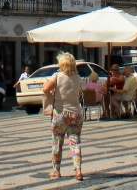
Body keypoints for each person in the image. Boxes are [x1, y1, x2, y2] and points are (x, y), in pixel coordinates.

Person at [43, 52, 86, 182]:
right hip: (76, 114)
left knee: (57, 143)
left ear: (61, 64)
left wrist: (52, 92)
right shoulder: (78, 78)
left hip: (60, 115)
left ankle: (56, 171)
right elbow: (81, 91)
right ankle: (78, 170)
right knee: (75, 142)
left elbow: (45, 89)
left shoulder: (56, 76)